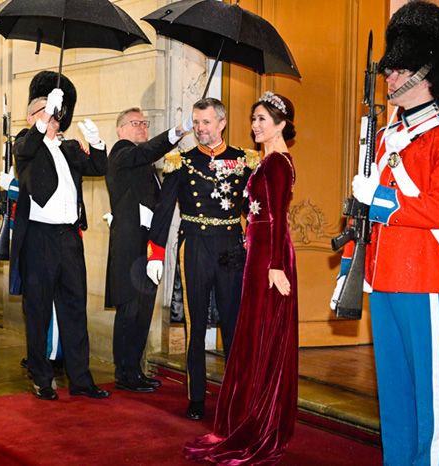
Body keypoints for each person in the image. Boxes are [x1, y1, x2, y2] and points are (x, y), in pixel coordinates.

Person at [331, 3, 439, 465]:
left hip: (422, 276)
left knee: (427, 390)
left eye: (398, 72)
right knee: (393, 390)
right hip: (380, 275)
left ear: (425, 76)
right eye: (389, 71)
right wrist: (350, 265)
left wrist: (381, 200)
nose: (389, 80)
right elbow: (362, 215)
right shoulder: (386, 134)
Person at [185, 92, 298, 464]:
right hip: (257, 255)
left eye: (263, 119)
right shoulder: (265, 161)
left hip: (270, 258)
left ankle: (260, 418)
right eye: (253, 119)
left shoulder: (277, 164)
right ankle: (248, 411)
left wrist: (276, 265)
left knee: (263, 335)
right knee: (254, 334)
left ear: (281, 124)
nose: (255, 126)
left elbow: (277, 217)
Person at [146, 98, 256, 420]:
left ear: (222, 122)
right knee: (195, 326)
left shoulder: (244, 160)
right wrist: (155, 253)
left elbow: (254, 211)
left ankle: (237, 393)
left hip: (231, 246)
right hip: (194, 244)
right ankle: (196, 396)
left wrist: (261, 250)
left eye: (206, 122)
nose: (199, 128)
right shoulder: (181, 161)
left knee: (233, 323)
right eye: (195, 122)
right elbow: (164, 211)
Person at [10, 71, 109, 401]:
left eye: (55, 109)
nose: (53, 113)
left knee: (74, 307)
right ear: (31, 116)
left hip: (69, 238)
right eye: (44, 108)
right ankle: (40, 377)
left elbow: (98, 167)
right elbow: (26, 148)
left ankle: (81, 379)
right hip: (40, 239)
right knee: (38, 310)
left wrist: (96, 142)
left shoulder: (68, 147)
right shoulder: (25, 143)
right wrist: (40, 121)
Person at [105, 107, 191, 393]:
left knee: (143, 312)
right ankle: (123, 373)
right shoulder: (121, 153)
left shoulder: (140, 162)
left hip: (147, 247)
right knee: (129, 311)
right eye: (135, 123)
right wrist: (177, 132)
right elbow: (146, 152)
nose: (142, 127)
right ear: (120, 129)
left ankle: (135, 370)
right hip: (130, 249)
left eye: (145, 123)